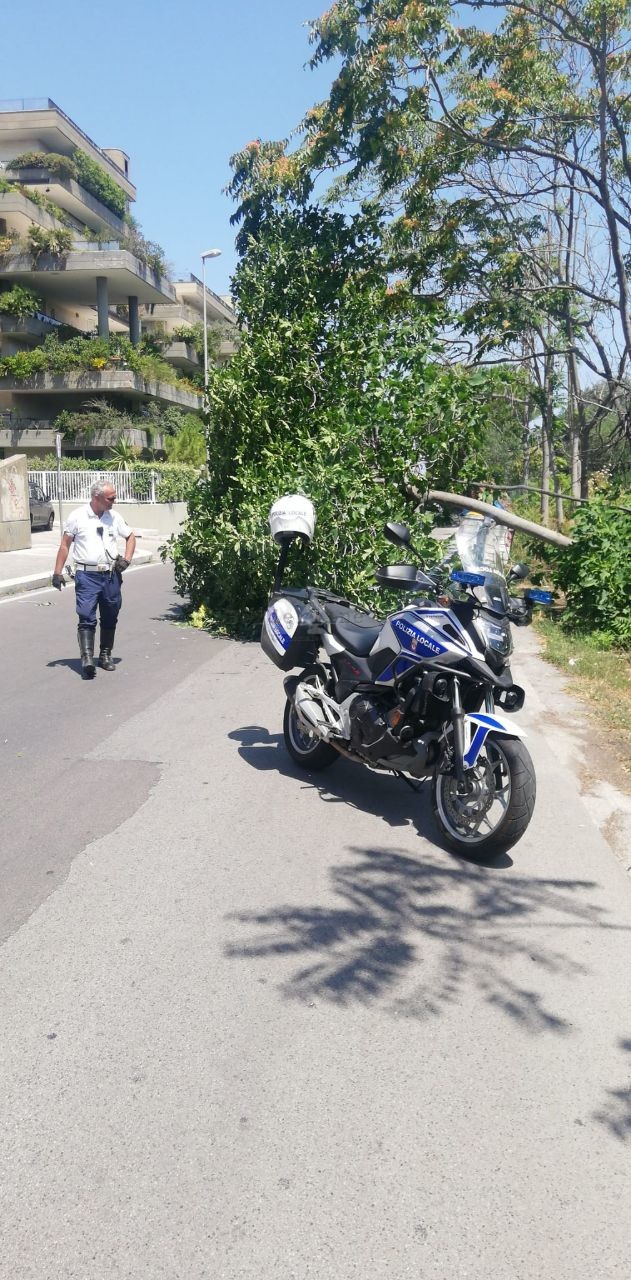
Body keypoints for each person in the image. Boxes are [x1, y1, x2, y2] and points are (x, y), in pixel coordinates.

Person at [51, 482, 136, 678]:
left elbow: (130, 537)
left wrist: (127, 559)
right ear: (97, 497)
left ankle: (105, 655)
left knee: (110, 615)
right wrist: (57, 572)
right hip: (87, 576)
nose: (114, 501)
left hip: (111, 575)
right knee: (86, 616)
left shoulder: (114, 517)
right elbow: (65, 545)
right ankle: (87, 658)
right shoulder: (77, 516)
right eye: (111, 498)